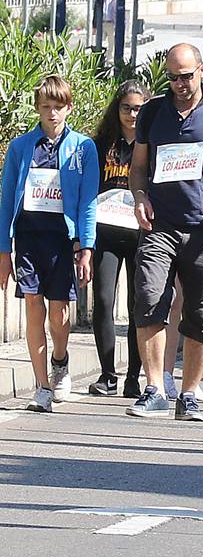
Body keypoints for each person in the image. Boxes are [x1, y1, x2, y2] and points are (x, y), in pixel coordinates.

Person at [127, 43, 203, 421]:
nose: (180, 83)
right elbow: (138, 167)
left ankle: (189, 393)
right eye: (172, 77)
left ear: (202, 71)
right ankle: (154, 388)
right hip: (159, 225)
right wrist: (139, 197)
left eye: (186, 75)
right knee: (148, 298)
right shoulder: (152, 113)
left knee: (200, 313)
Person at [0, 75, 99, 412]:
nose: (52, 113)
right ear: (38, 108)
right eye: (46, 107)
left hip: (61, 241)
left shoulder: (83, 148)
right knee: (32, 305)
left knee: (59, 312)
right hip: (28, 237)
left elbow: (88, 201)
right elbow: (6, 201)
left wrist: (86, 246)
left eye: (58, 107)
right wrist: (4, 250)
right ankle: (42, 387)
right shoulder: (20, 147)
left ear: (68, 107)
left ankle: (60, 360)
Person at [87, 82, 150, 398]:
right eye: (127, 107)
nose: (132, 114)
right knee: (104, 300)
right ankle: (108, 374)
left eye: (138, 108)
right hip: (105, 232)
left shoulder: (151, 143)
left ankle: (133, 378)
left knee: (138, 305)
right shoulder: (100, 144)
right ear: (117, 109)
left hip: (140, 233)